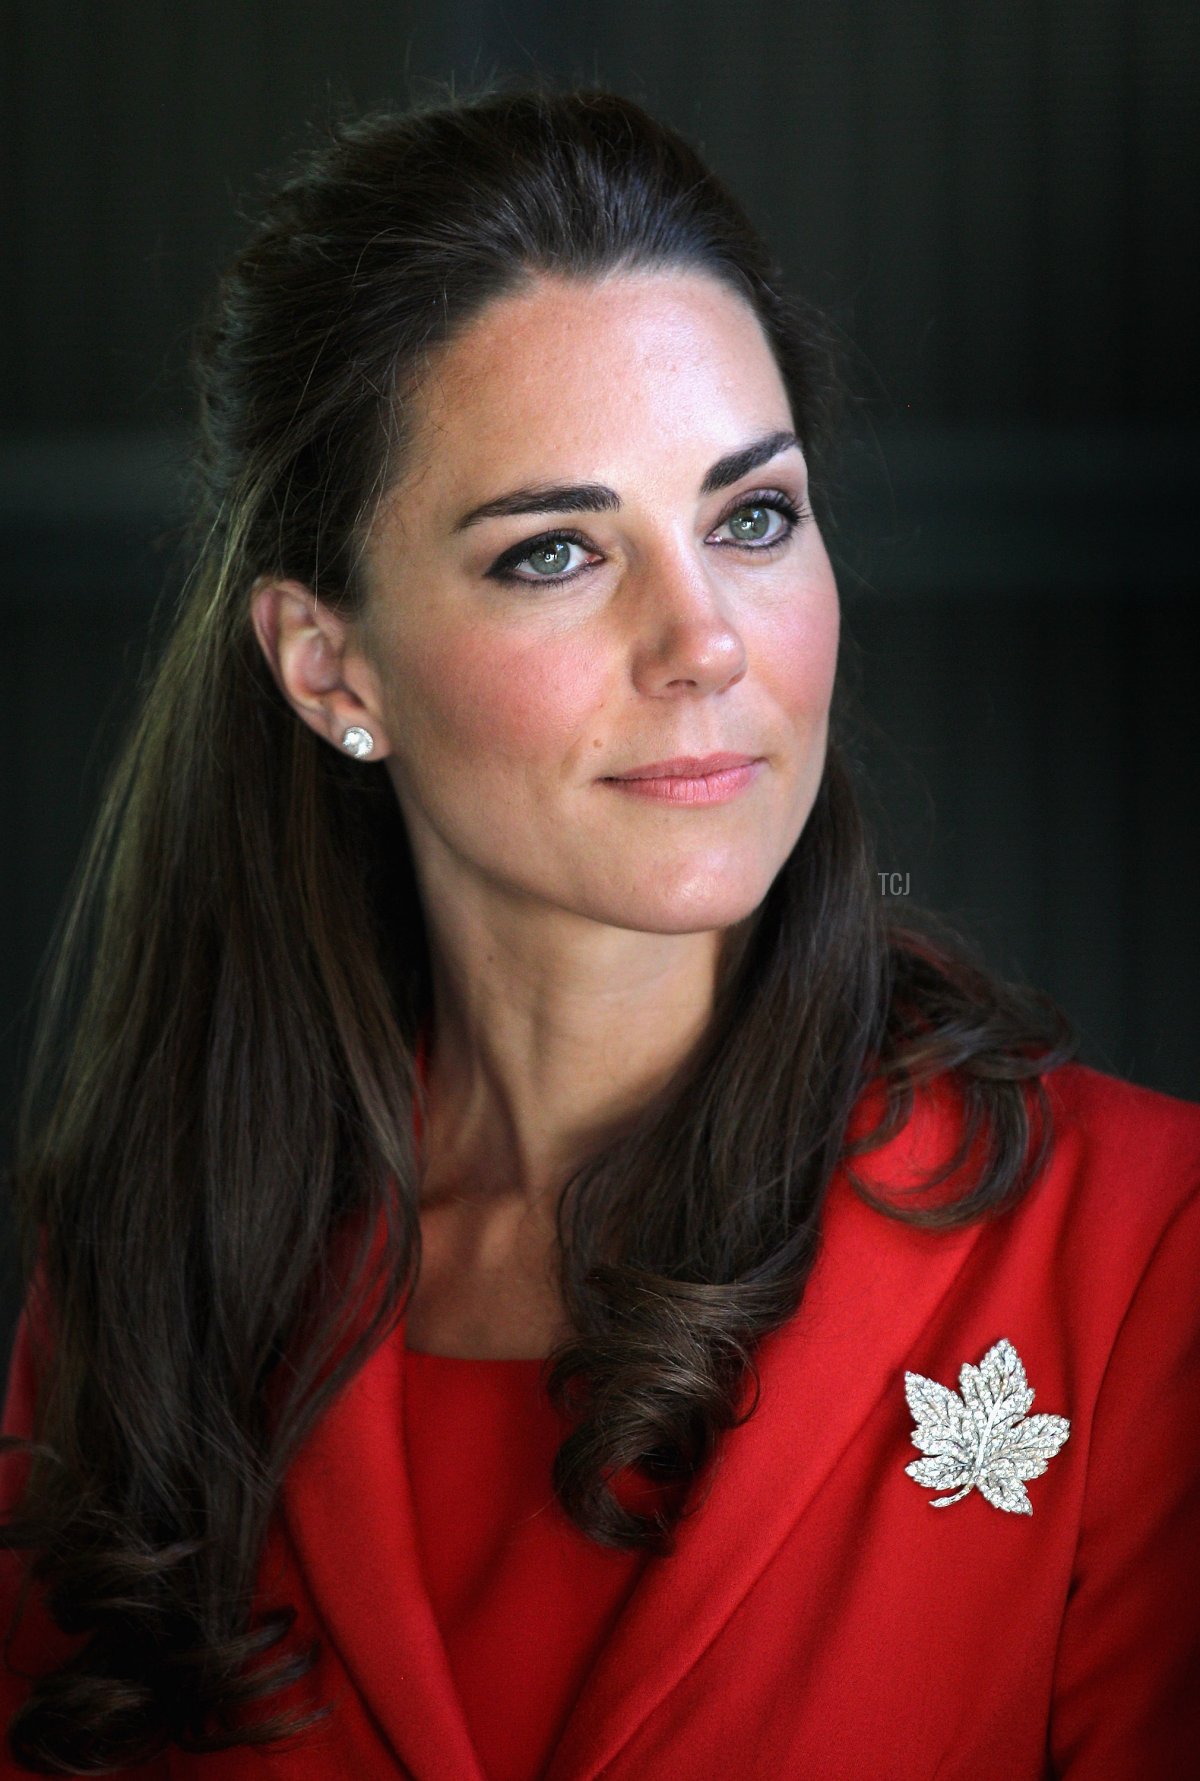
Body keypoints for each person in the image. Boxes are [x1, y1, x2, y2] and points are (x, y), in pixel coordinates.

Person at [1, 82, 1197, 1781]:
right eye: (558, 550)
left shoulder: (1145, 1255)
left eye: (752, 516)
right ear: (331, 667)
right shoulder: (155, 1270)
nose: (703, 640)